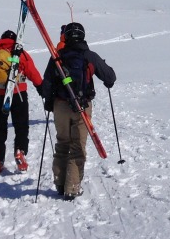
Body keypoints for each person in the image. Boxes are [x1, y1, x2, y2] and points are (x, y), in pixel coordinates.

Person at [39, 22, 115, 200]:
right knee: (77, 147)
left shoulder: (57, 57)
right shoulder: (89, 56)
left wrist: (49, 103)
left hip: (60, 106)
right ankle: (72, 187)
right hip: (82, 106)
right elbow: (110, 76)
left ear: (65, 36)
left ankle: (59, 183)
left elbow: (46, 84)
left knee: (62, 143)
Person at [0, 30, 43, 175]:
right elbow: (32, 71)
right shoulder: (20, 53)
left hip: (0, 96)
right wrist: (41, 87)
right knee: (21, 125)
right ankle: (20, 151)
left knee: (0, 127)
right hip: (19, 93)